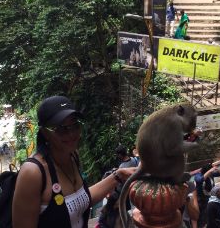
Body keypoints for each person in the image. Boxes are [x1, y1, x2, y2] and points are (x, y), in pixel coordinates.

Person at [12, 96, 136, 228]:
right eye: (61, 129)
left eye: (75, 125)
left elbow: (81, 199)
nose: (71, 134)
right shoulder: (33, 172)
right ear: (45, 133)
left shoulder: (73, 156)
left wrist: (118, 175)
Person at [194, 163, 220, 228]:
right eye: (210, 171)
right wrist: (210, 171)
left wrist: (216, 168)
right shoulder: (198, 175)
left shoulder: (211, 175)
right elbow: (200, 180)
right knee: (203, 219)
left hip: (210, 200)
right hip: (201, 201)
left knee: (211, 218)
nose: (212, 172)